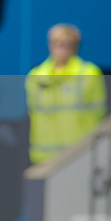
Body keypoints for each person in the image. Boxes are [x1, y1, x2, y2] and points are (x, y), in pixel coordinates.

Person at [26, 24, 107, 164]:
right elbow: (32, 114)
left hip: (79, 156)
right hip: (44, 158)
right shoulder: (36, 76)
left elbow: (99, 115)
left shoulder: (90, 73)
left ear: (75, 46)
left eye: (67, 44)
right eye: (56, 43)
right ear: (50, 44)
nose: (61, 47)